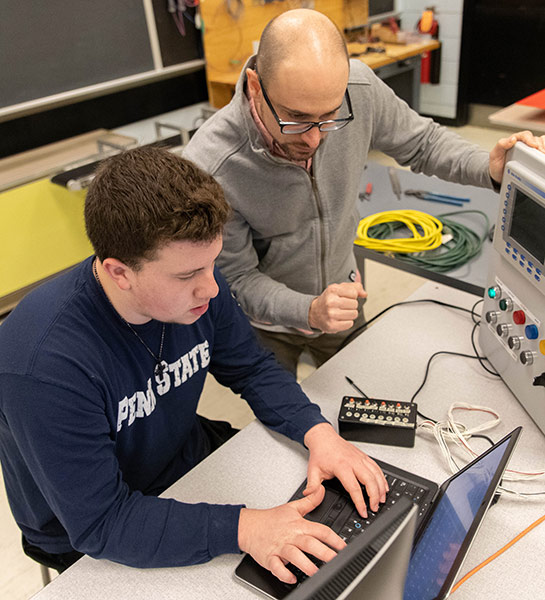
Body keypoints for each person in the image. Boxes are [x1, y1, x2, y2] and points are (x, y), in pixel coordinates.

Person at [0, 147, 388, 584]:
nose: (210, 288)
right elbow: (102, 524)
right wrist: (247, 527)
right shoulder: (41, 364)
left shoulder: (201, 284)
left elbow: (251, 368)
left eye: (212, 264)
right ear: (119, 272)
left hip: (183, 457)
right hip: (86, 529)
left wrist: (319, 434)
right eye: (186, 276)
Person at [183, 8, 545, 375]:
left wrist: (488, 167)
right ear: (256, 86)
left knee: (362, 390)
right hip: (265, 327)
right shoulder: (210, 168)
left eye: (329, 115)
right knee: (283, 419)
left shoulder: (359, 88)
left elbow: (423, 143)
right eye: (297, 119)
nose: (314, 138)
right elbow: (238, 278)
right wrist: (307, 310)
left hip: (343, 298)